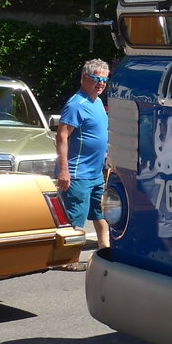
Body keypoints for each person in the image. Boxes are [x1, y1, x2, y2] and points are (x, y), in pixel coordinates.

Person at [55, 59, 111, 266]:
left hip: (95, 173)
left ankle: (105, 251)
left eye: (105, 79)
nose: (101, 83)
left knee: (100, 213)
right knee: (75, 218)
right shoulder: (76, 104)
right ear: (84, 78)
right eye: (96, 78)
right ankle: (69, 259)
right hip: (78, 173)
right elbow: (61, 137)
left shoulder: (96, 102)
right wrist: (64, 171)